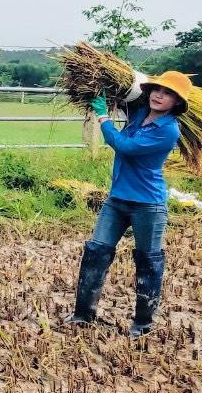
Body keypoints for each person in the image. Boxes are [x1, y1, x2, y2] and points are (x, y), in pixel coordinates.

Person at [68, 71, 191, 336]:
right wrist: (108, 83)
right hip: (117, 199)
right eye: (157, 89)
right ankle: (83, 314)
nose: (159, 95)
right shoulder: (140, 113)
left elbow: (126, 146)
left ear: (177, 103)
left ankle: (142, 324)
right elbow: (126, 94)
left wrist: (102, 117)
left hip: (148, 205)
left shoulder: (168, 130)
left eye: (168, 93)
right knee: (96, 252)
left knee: (148, 261)